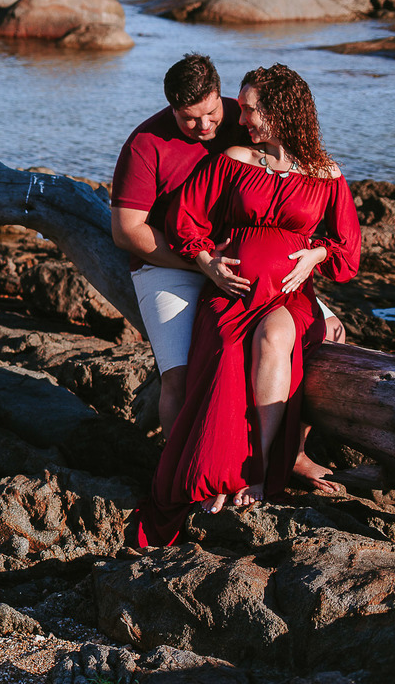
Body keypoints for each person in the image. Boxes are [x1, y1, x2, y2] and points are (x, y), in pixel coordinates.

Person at [136, 64, 361, 546]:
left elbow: (348, 250)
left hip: (287, 295)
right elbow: (185, 218)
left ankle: (257, 470)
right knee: (224, 349)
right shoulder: (235, 158)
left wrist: (317, 254)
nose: (243, 118)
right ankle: (225, 470)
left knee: (277, 336)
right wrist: (207, 262)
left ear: (282, 111)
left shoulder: (327, 174)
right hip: (230, 294)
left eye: (253, 108)